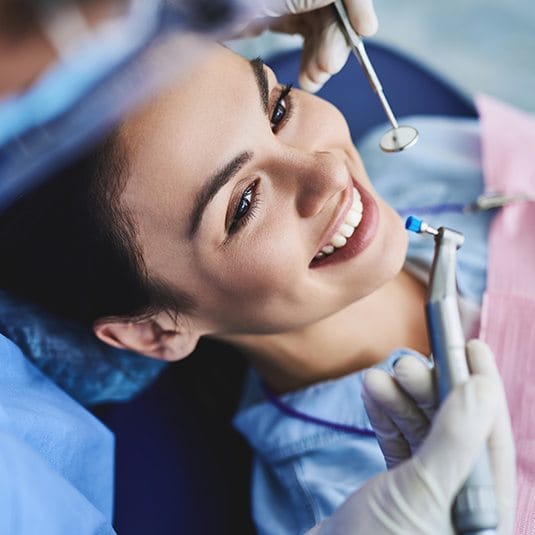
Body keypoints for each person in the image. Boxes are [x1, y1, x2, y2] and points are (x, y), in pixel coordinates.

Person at [0, 42, 516, 534]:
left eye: (277, 110)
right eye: (244, 203)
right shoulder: (343, 503)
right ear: (156, 332)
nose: (329, 172)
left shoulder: (439, 166)